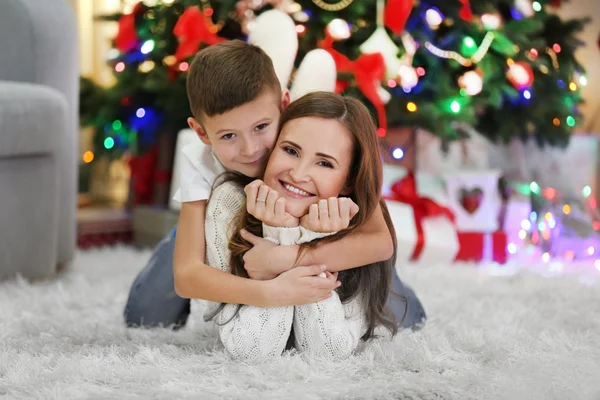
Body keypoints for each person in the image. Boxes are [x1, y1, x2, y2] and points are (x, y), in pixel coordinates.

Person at [123, 40, 426, 330]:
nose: (250, 149)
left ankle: (304, 97)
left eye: (261, 127)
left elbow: (380, 242)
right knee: (144, 315)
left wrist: (288, 258)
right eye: (229, 135)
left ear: (283, 104)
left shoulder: (318, 148)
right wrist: (271, 293)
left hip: (315, 226)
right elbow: (187, 275)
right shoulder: (201, 160)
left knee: (406, 320)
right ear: (201, 133)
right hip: (217, 224)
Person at [202, 91, 398, 360]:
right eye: (291, 150)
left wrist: (303, 239)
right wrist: (279, 230)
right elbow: (251, 350)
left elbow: (326, 352)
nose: (298, 173)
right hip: (200, 258)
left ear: (348, 182)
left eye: (324, 163)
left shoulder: (359, 220)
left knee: (406, 312)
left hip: (377, 271)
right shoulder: (230, 200)